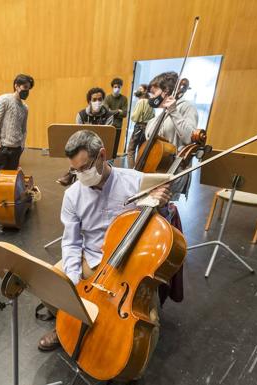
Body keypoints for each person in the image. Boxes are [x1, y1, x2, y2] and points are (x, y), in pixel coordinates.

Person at [37, 131, 170, 368]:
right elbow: (70, 242)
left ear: (102, 155)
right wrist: (74, 282)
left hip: (130, 269)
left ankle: (129, 369)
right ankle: (66, 325)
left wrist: (161, 204)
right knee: (50, 284)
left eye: (85, 167)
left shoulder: (137, 182)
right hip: (92, 262)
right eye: (75, 170)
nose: (80, 175)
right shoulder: (72, 195)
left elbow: (160, 228)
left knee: (148, 327)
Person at [0, 74, 34, 222]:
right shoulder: (4, 99)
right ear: (16, 85)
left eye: (29, 89)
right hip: (2, 148)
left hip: (16, 149)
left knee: (11, 180)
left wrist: (22, 145)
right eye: (25, 87)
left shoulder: (25, 108)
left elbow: (24, 129)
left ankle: (8, 206)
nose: (27, 91)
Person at [144, 71, 199, 196]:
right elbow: (149, 137)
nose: (151, 97)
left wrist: (173, 111)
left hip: (173, 168)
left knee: (163, 208)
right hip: (155, 169)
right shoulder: (160, 114)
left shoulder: (186, 107)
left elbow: (189, 138)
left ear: (166, 91)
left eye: (153, 92)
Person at [56, 87, 115, 186]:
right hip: (85, 148)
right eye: (94, 100)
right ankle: (72, 174)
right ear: (89, 101)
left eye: (100, 99)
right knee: (80, 158)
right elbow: (78, 137)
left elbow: (107, 136)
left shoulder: (109, 115)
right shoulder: (81, 115)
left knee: (105, 164)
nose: (97, 102)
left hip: (101, 147)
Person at [126, 83, 155, 166]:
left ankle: (132, 170)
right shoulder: (151, 102)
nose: (138, 90)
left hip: (139, 127)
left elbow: (135, 117)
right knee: (141, 149)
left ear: (145, 90)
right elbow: (153, 116)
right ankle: (139, 169)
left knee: (131, 151)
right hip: (147, 128)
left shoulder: (141, 101)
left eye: (140, 89)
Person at [103, 78, 129, 158]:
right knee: (106, 146)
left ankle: (111, 166)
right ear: (112, 87)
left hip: (118, 126)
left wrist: (112, 111)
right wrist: (118, 110)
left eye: (119, 86)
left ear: (121, 87)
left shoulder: (124, 99)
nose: (117, 88)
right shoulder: (108, 98)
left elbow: (124, 114)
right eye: (115, 86)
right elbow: (106, 112)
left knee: (114, 148)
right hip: (108, 126)